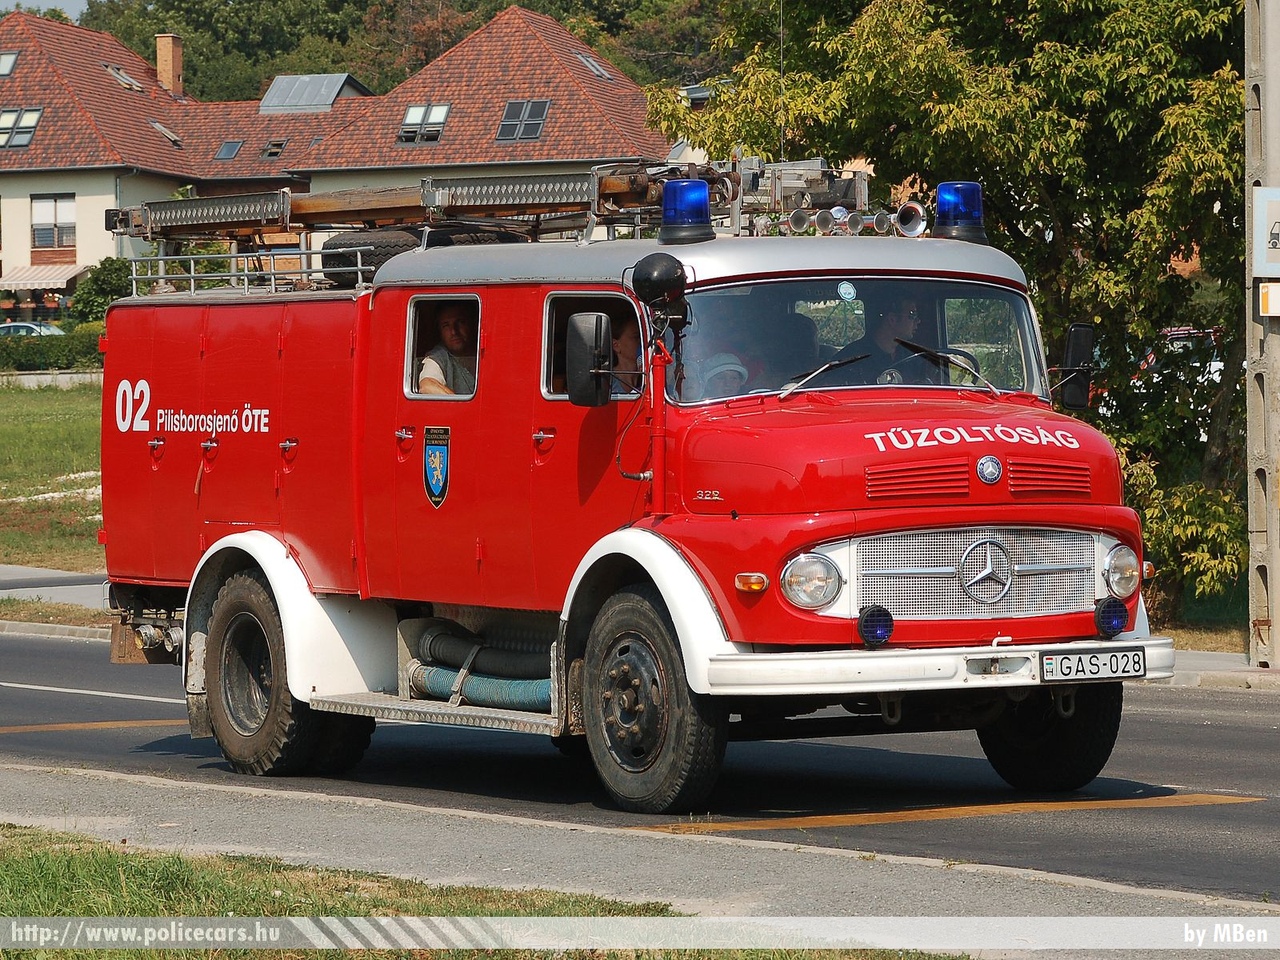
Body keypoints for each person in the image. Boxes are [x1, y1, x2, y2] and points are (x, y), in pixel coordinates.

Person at [833, 297, 927, 385]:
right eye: (912, 314)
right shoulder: (849, 360)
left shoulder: (914, 358)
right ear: (892, 319)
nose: (918, 321)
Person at [418, 302, 478, 396]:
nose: (454, 331)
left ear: (472, 323)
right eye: (446, 325)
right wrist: (464, 408)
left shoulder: (486, 352)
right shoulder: (439, 356)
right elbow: (427, 386)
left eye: (460, 322)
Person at [611, 314, 642, 393]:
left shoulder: (650, 380)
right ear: (616, 345)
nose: (642, 342)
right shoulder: (607, 384)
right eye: (636, 337)